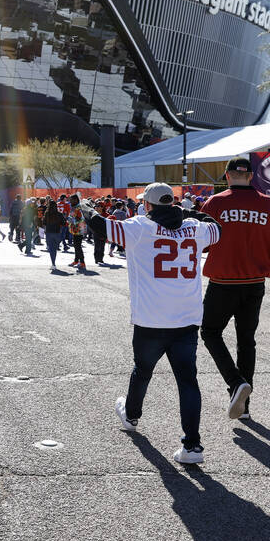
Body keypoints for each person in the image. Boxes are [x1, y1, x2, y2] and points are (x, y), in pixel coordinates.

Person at [94, 183, 220, 464]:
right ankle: (193, 446)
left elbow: (101, 226)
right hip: (186, 318)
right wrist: (194, 215)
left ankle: (132, 415)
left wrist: (86, 208)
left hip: (151, 318)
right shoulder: (194, 228)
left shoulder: (140, 226)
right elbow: (216, 228)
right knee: (188, 381)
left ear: (148, 205)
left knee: (143, 370)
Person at [199, 157, 270, 420]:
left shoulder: (215, 203)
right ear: (250, 176)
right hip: (255, 283)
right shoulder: (267, 204)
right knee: (246, 341)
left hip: (223, 282)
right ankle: (244, 407)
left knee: (210, 332)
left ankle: (236, 383)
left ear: (226, 176)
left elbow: (202, 243)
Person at [42, 195, 66, 270]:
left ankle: (53, 263)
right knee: (55, 248)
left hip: (49, 232)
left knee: (51, 249)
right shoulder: (59, 214)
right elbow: (63, 223)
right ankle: (53, 263)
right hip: (57, 232)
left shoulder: (46, 214)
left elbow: (44, 223)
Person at [66, 194, 87, 271]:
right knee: (76, 246)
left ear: (75, 200)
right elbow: (71, 217)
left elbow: (81, 218)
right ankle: (76, 261)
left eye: (71, 200)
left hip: (79, 230)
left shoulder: (79, 207)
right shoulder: (74, 207)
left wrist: (71, 220)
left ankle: (82, 262)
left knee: (78, 246)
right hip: (75, 230)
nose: (70, 201)